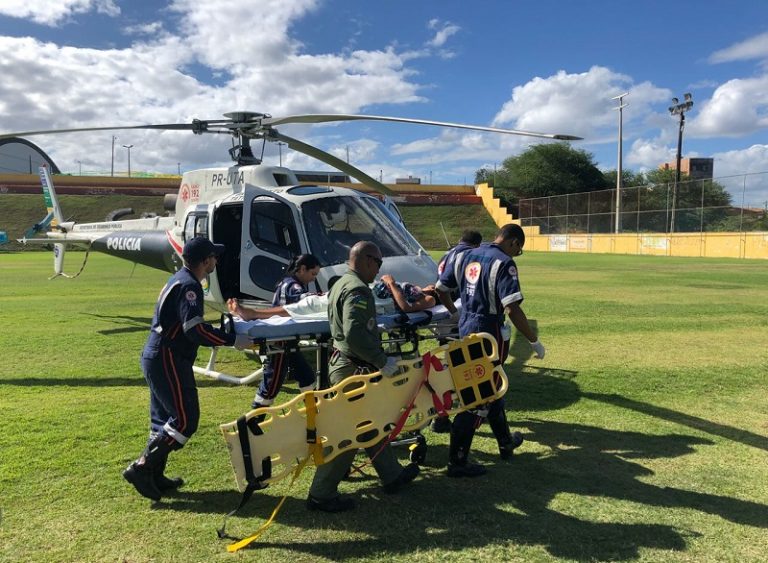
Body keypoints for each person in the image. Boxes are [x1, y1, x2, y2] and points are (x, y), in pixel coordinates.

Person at [123, 237, 251, 501]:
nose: (216, 260)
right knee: (185, 420)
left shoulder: (180, 278)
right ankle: (142, 468)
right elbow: (194, 329)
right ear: (205, 261)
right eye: (213, 257)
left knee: (162, 420)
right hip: (167, 357)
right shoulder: (190, 285)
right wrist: (232, 340)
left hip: (158, 354)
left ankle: (155, 475)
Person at [307, 241, 420, 512]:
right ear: (367, 260)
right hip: (352, 366)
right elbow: (355, 333)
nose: (378, 269)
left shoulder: (340, 283)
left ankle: (391, 475)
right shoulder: (357, 289)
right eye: (378, 263)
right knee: (353, 431)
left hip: (345, 363)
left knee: (370, 423)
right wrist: (381, 361)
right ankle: (321, 493)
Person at [436, 224, 545, 478]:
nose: (516, 255)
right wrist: (532, 340)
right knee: (479, 394)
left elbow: (441, 289)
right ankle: (457, 460)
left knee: (492, 386)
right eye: (519, 251)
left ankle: (505, 441)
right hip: (489, 334)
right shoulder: (504, 263)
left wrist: (456, 313)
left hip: (465, 328)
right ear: (514, 243)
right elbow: (512, 309)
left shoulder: (463, 254)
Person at [232, 254, 321, 410]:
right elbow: (306, 301)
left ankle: (313, 411)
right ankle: (255, 418)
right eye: (313, 274)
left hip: (288, 338)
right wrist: (324, 297)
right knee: (273, 380)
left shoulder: (286, 282)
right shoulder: (294, 286)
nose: (314, 279)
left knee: (306, 375)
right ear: (302, 269)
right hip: (281, 339)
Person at [431, 229, 483, 434]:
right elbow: (442, 288)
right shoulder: (468, 256)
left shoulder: (447, 254)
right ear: (476, 245)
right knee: (461, 370)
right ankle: (465, 416)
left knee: (443, 367)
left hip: (442, 317)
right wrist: (455, 313)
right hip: (457, 317)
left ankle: (441, 416)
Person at [372, 274, 438, 313]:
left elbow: (406, 308)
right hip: (376, 289)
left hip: (379, 298)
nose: (433, 285)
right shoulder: (420, 291)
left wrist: (391, 283)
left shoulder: (431, 299)